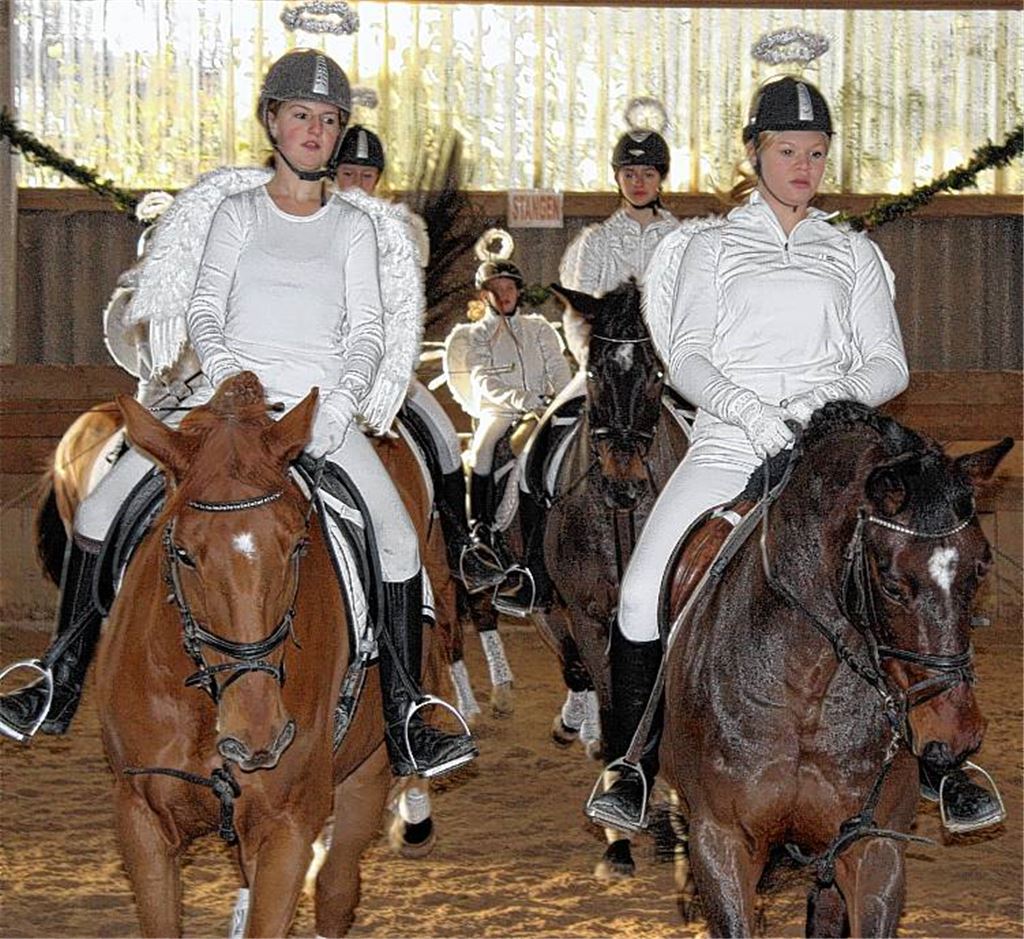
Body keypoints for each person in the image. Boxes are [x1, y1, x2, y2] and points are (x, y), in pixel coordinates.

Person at [0, 49, 477, 782]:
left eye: (327, 120)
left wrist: (339, 403)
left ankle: (406, 709)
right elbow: (204, 306)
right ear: (272, 123)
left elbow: (369, 331)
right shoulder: (235, 212)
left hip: (321, 411)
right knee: (97, 509)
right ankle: (60, 675)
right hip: (221, 404)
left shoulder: (357, 228)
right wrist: (228, 381)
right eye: (300, 116)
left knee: (397, 540)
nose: (314, 131)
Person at [587, 74, 963, 834]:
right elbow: (685, 354)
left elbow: (889, 364)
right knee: (637, 594)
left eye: (817, 153)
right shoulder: (710, 247)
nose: (804, 167)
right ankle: (631, 762)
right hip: (732, 440)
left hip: (835, 449)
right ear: (755, 153)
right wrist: (753, 414)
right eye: (788, 150)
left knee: (920, 569)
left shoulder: (849, 253)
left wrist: (823, 409)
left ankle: (941, 762)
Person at [333, 123, 504, 595]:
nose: (356, 184)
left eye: (366, 176)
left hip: (386, 371)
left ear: (378, 180)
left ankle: (460, 548)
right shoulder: (312, 219)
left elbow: (406, 310)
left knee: (446, 441)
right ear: (333, 174)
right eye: (347, 173)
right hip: (322, 372)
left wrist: (390, 372)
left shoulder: (405, 228)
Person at [444, 230, 572, 614]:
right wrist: (523, 400)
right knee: (482, 451)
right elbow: (484, 380)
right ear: (484, 295)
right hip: (500, 412)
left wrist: (559, 400)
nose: (504, 296)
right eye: (496, 289)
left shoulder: (539, 329)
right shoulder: (475, 336)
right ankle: (480, 530)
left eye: (509, 288)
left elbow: (559, 368)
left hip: (542, 409)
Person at [555, 118, 679, 406]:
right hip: (605, 367)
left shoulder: (681, 241)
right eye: (629, 173)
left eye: (648, 174)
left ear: (661, 178)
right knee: (549, 428)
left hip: (668, 368)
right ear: (617, 177)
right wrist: (595, 360)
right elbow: (576, 315)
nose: (638, 183)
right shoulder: (594, 242)